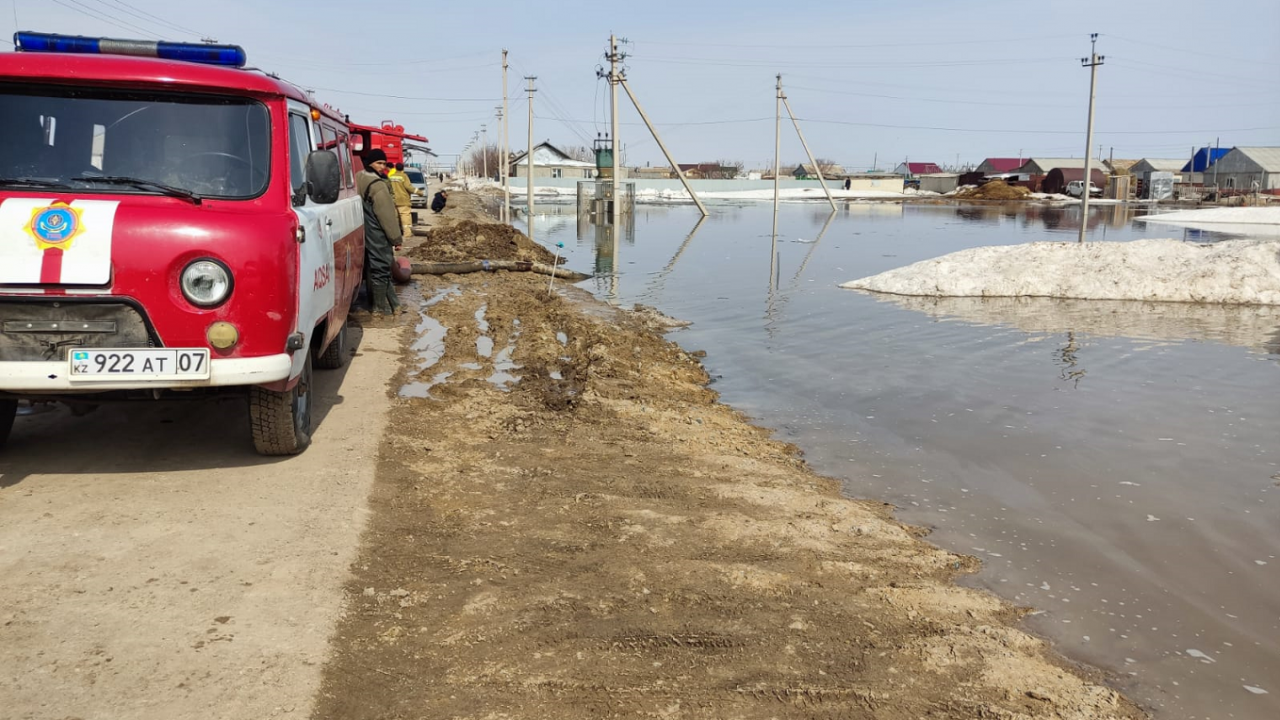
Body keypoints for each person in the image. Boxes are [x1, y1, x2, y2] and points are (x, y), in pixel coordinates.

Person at [355, 149, 403, 316]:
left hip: (362, 230)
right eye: (379, 163)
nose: (382, 166)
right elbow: (386, 215)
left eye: (384, 163)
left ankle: (396, 307)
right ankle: (378, 309)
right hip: (377, 232)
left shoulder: (358, 177)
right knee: (381, 269)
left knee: (376, 268)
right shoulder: (377, 184)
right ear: (370, 163)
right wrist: (396, 238)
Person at [388, 162, 422, 237]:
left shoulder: (390, 177)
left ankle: (395, 235)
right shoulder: (404, 176)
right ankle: (407, 234)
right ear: (403, 168)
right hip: (403, 200)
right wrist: (419, 192)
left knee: (395, 219)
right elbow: (408, 187)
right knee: (405, 218)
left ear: (395, 168)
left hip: (393, 201)